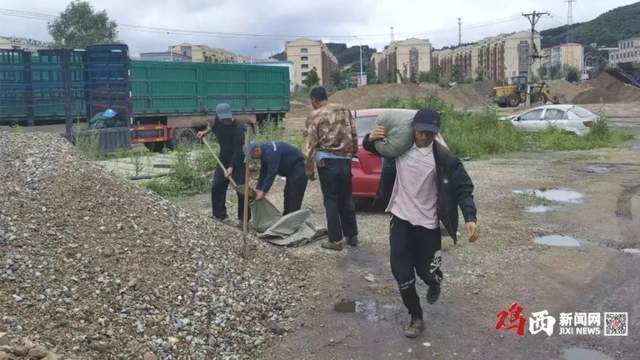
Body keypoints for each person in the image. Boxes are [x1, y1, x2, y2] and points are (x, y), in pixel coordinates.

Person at [362, 108, 478, 339]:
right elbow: (369, 147)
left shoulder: (444, 158)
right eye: (421, 132)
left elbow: (463, 188)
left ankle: (434, 282)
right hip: (401, 217)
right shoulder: (400, 148)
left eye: (430, 134)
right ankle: (416, 317)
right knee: (401, 271)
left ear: (436, 133)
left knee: (428, 271)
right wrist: (369, 138)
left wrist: (470, 218)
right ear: (413, 128)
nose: (424, 138)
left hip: (428, 224)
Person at [304, 86, 359, 251]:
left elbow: (309, 144)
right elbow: (354, 134)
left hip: (326, 162)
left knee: (331, 200)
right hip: (345, 160)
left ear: (314, 100)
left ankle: (335, 240)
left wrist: (309, 168)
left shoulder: (315, 115)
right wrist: (353, 152)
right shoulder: (345, 110)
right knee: (346, 198)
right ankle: (352, 236)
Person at [197, 103, 247, 224]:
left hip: (238, 160)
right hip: (223, 158)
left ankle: (243, 219)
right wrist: (205, 132)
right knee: (217, 185)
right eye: (223, 118)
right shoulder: (217, 121)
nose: (226, 121)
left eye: (227, 118)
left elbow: (238, 150)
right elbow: (213, 128)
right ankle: (219, 215)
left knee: (241, 189)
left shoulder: (239, 128)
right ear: (219, 116)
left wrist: (231, 167)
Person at [247, 141, 308, 215]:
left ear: (257, 150)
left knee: (294, 194)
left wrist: (263, 192)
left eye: (253, 156)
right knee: (287, 193)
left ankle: (293, 220)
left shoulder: (271, 153)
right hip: (290, 171)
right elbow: (263, 171)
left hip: (299, 167)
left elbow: (271, 173)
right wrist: (258, 188)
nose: (253, 158)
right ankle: (286, 217)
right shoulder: (264, 150)